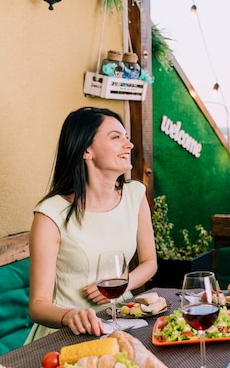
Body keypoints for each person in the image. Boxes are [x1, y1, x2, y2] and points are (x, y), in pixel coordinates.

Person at [26, 107, 158, 342]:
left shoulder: (135, 195)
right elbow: (38, 305)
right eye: (116, 137)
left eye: (126, 137)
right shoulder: (50, 214)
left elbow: (149, 262)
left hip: (121, 323)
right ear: (87, 150)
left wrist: (122, 284)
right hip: (66, 336)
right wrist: (70, 316)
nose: (129, 145)